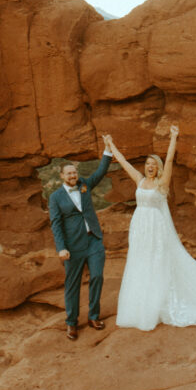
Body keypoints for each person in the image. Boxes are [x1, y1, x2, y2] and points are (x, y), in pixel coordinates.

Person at [104, 126, 196, 331]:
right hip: (140, 226)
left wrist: (173, 137)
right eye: (147, 163)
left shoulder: (162, 183)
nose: (150, 166)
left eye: (153, 164)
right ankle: (142, 305)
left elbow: (169, 160)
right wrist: (110, 144)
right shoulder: (140, 181)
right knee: (140, 260)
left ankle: (161, 302)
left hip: (156, 227)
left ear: (157, 167)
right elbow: (123, 162)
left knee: (157, 260)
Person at [48, 141, 112, 340]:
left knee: (97, 277)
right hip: (72, 247)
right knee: (73, 284)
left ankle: (93, 316)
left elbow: (99, 173)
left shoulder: (84, 185)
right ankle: (72, 323)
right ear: (61, 176)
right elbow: (56, 224)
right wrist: (61, 248)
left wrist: (107, 151)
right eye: (68, 174)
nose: (73, 176)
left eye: (74, 173)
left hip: (93, 240)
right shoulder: (56, 197)